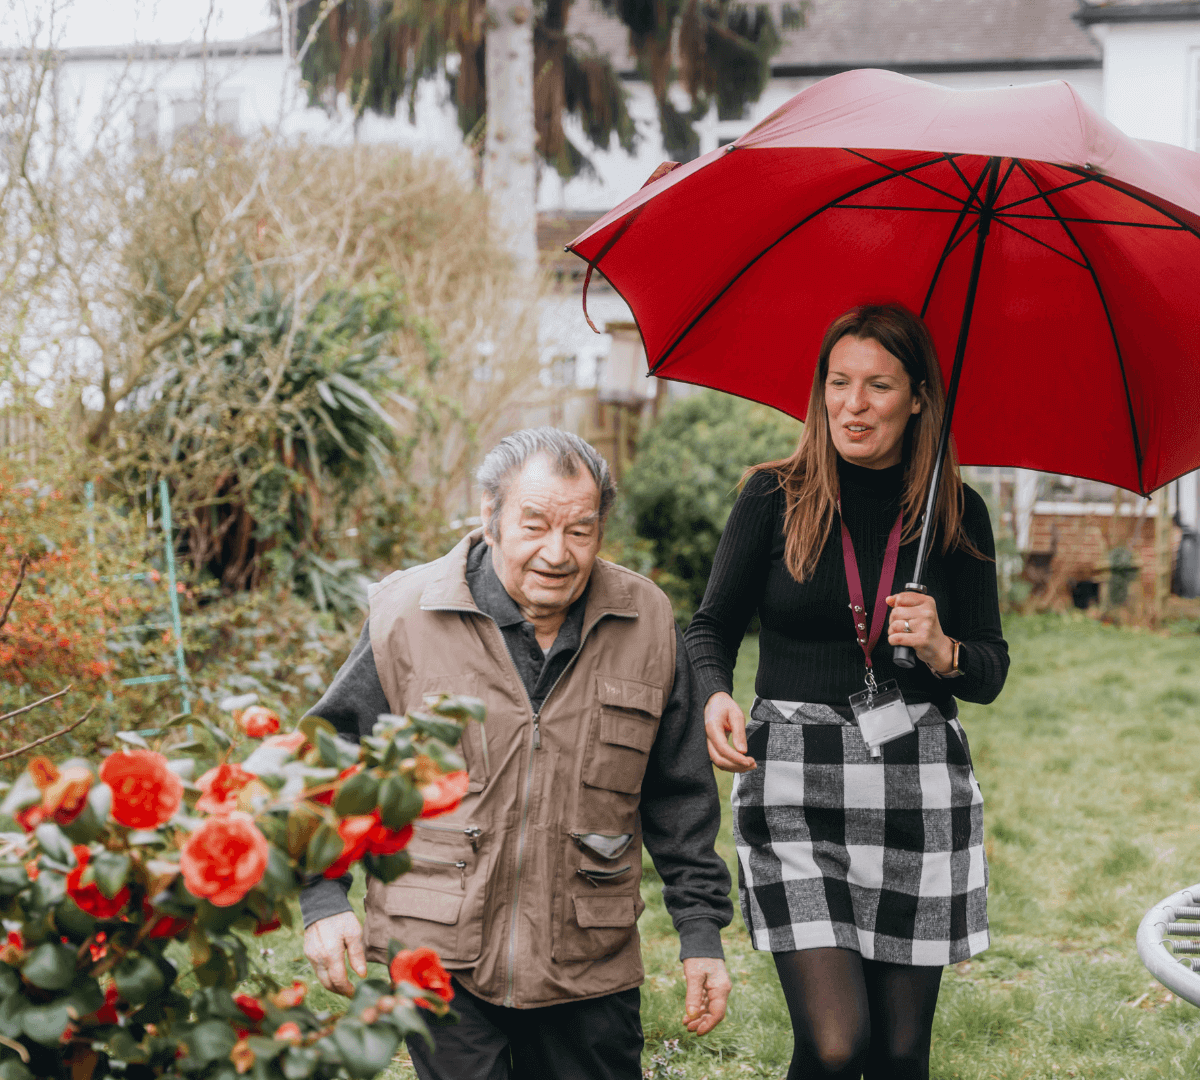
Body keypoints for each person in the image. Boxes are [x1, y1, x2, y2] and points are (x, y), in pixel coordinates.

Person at [299, 427, 733, 1080]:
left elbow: (680, 792)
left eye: (580, 530)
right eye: (534, 525)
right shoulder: (408, 615)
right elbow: (332, 757)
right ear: (490, 516)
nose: (556, 553)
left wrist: (700, 933)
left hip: (589, 958)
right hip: (439, 954)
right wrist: (322, 899)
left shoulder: (646, 621)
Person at [685, 304, 1009, 1080]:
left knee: (900, 1055)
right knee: (836, 1045)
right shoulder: (774, 496)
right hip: (793, 781)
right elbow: (708, 628)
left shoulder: (957, 514)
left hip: (917, 782)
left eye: (878, 387)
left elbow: (992, 670)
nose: (852, 406)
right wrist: (713, 695)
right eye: (838, 383)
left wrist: (943, 648)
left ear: (920, 398)